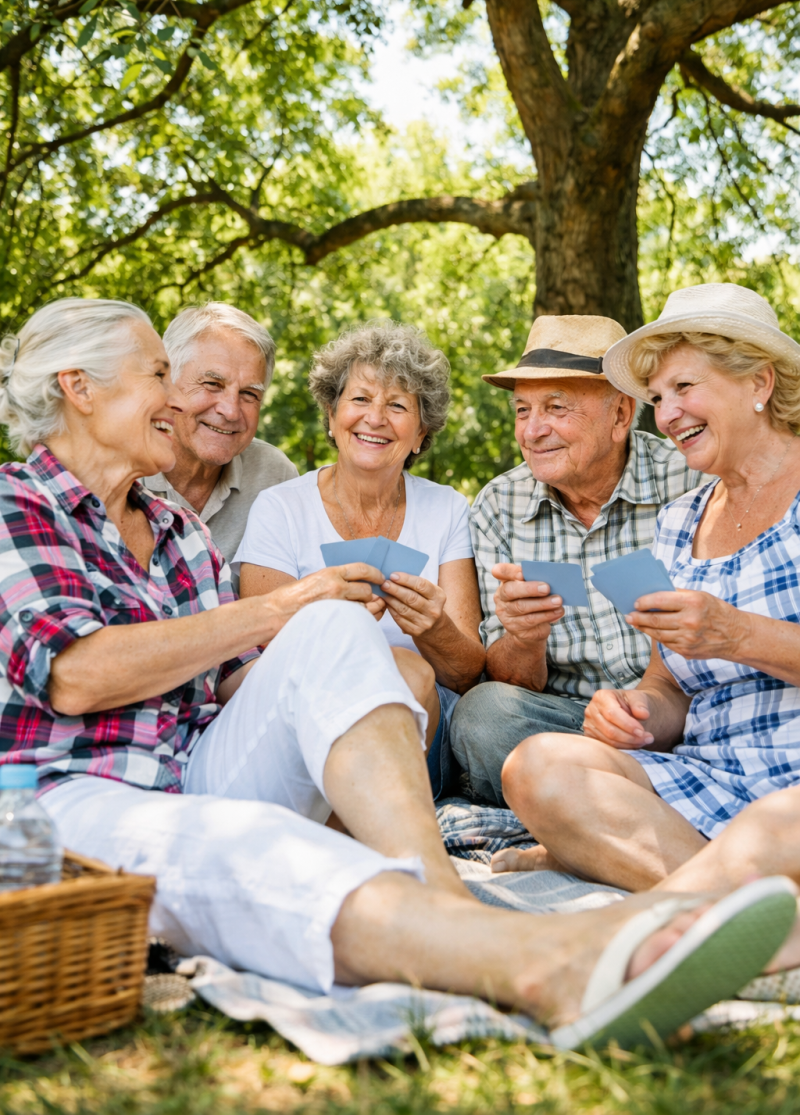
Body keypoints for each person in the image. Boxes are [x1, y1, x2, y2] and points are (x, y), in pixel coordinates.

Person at [0, 296, 793, 1051]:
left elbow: (238, 684)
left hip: (196, 764)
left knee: (342, 629)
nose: (180, 398)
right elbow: (75, 677)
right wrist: (289, 611)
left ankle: (442, 897)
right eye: (159, 375)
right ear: (78, 389)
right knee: (247, 834)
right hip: (74, 793)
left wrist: (328, 638)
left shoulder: (172, 526)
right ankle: (538, 960)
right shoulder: (15, 506)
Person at [494, 284, 800, 892]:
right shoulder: (679, 519)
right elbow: (668, 685)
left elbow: (734, 639)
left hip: (790, 797)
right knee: (535, 766)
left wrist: (739, 635)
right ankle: (737, 899)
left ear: (759, 384)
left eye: (685, 387)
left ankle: (666, 881)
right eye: (658, 398)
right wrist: (637, 712)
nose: (666, 415)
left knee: (776, 828)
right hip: (707, 775)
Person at [450, 315, 702, 807]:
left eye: (556, 407)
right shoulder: (500, 504)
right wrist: (525, 636)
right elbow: (507, 680)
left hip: (682, 710)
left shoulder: (688, 481)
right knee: (483, 715)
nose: (533, 430)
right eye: (522, 410)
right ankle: (628, 794)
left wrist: (648, 710)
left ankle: (580, 803)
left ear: (620, 416)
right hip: (570, 722)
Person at [235, 321, 485, 799]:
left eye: (397, 406)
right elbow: (259, 650)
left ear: (421, 434)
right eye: (360, 399)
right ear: (331, 415)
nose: (376, 418)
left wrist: (432, 628)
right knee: (388, 664)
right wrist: (331, 627)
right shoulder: (280, 506)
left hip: (423, 729)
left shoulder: (447, 508)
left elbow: (467, 673)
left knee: (407, 670)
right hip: (313, 715)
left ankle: (368, 821)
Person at [144, 301, 296, 569]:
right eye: (213, 384)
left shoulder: (273, 476)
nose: (231, 411)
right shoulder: (121, 469)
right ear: (167, 382)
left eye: (249, 394)